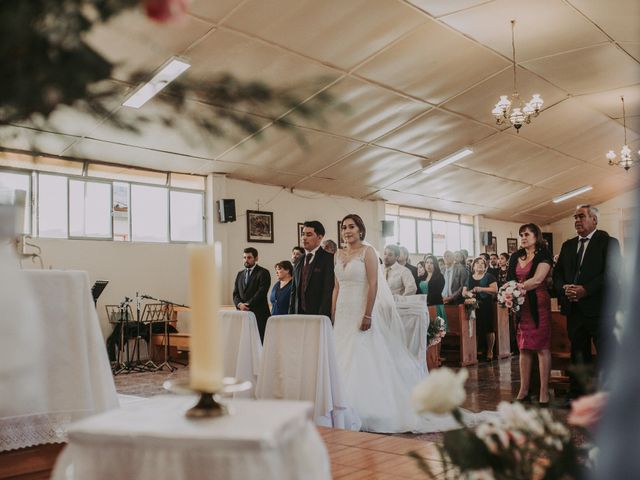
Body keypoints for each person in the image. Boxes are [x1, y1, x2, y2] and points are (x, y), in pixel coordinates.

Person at [332, 214, 467, 433]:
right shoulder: (337, 254)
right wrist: (333, 312)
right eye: (344, 227)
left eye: (352, 227)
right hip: (343, 313)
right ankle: (340, 406)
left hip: (360, 310)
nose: (347, 231)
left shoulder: (368, 253)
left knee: (362, 355)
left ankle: (365, 407)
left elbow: (374, 285)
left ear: (360, 230)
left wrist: (367, 315)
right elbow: (337, 287)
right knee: (341, 356)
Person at [553, 204, 620, 401]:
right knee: (578, 353)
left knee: (606, 353)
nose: (577, 220)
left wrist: (586, 290)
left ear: (594, 220)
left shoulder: (608, 243)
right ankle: (577, 395)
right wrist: (564, 287)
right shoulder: (568, 245)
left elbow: (612, 273)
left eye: (581, 216)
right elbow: (557, 274)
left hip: (600, 308)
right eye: (575, 217)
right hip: (574, 309)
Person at [507, 223, 553, 406]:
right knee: (523, 348)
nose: (523, 238)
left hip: (538, 304)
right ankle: (523, 391)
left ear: (536, 236)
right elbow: (509, 278)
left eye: (526, 234)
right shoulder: (515, 256)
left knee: (542, 347)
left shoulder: (544, 255)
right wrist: (509, 292)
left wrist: (516, 288)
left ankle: (544, 393)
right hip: (521, 307)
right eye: (521, 235)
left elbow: (538, 279)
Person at [289, 220, 335, 318]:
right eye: (303, 234)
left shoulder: (329, 259)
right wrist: (291, 315)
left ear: (319, 237)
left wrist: (323, 316)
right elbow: (294, 292)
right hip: (299, 315)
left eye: (309, 235)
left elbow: (328, 291)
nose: (304, 238)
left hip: (318, 315)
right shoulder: (298, 260)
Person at [462, 257, 498, 361]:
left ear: (485, 266)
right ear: (473, 266)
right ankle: (474, 350)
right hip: (472, 306)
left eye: (482, 263)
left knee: (488, 328)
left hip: (486, 305)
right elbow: (464, 292)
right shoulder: (469, 277)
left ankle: (490, 351)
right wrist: (468, 294)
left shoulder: (489, 276)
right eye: (477, 263)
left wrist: (481, 289)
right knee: (474, 328)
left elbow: (495, 290)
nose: (480, 265)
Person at [232, 247, 271, 342]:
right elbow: (235, 293)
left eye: (249, 257)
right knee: (245, 342)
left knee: (259, 342)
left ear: (256, 258)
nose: (246, 260)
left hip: (259, 314)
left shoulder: (263, 272)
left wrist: (247, 304)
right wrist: (239, 304)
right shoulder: (240, 274)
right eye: (244, 257)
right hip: (243, 314)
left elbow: (262, 292)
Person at [417, 255, 447, 330]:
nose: (429, 265)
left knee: (436, 330)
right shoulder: (423, 276)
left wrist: (425, 299)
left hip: (435, 305)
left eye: (431, 263)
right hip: (423, 306)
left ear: (435, 265)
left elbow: (437, 293)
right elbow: (417, 290)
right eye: (427, 262)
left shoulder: (439, 277)